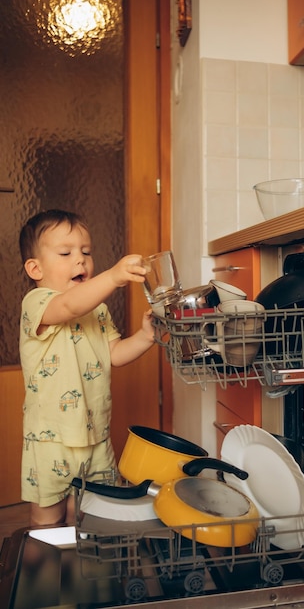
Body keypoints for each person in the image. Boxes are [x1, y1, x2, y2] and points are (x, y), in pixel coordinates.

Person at [18, 209, 155, 527]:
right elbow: (68, 306)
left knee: (90, 514)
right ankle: (51, 570)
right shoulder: (37, 302)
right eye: (66, 253)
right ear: (35, 268)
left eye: (86, 252)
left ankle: (84, 571)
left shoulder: (98, 310)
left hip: (96, 436)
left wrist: (146, 336)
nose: (80, 260)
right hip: (50, 441)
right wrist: (114, 276)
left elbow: (116, 354)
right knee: (47, 519)